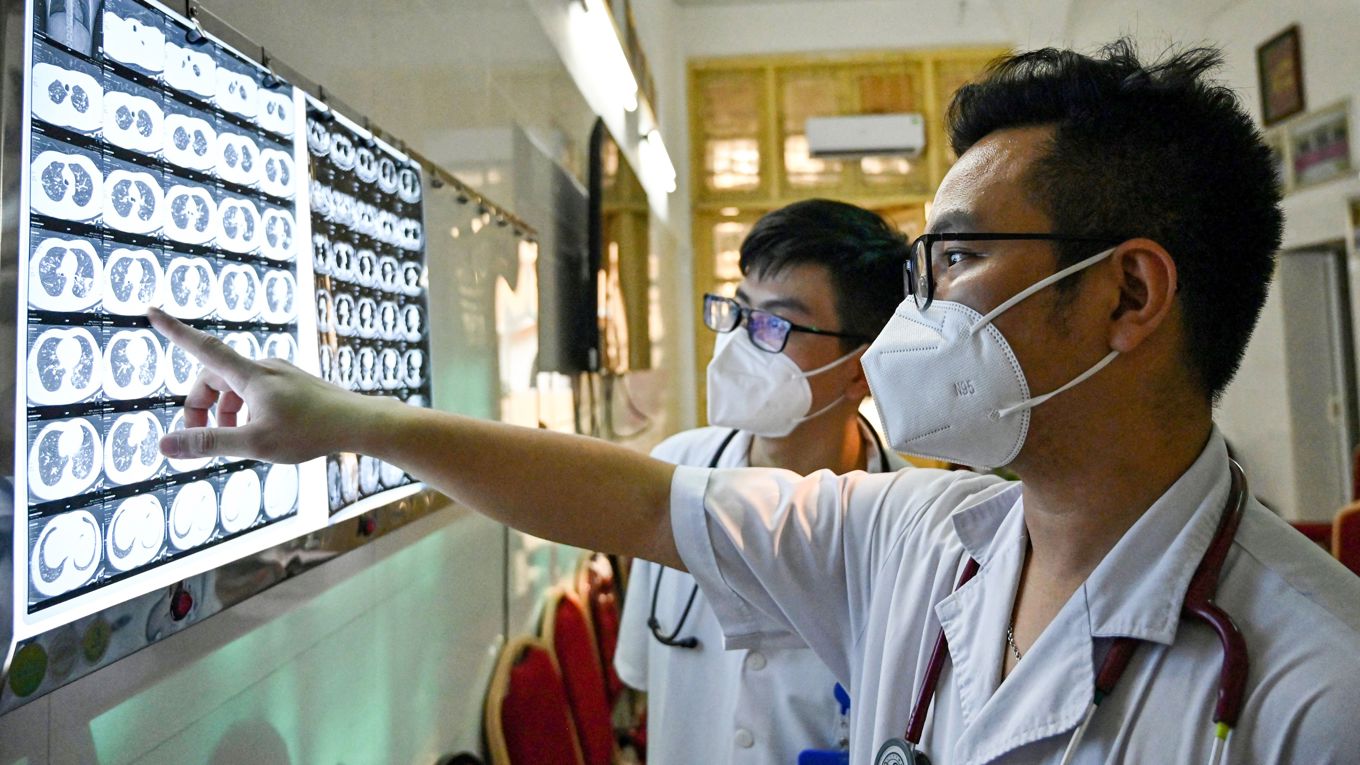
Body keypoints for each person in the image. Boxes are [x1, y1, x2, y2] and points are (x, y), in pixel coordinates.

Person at [150, 39, 1360, 763]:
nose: (921, 312)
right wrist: (348, 422)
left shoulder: (1317, 687)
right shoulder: (925, 540)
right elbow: (629, 498)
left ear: (1126, 295)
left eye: (952, 260)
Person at [615, 199, 910, 765]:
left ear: (860, 369)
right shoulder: (672, 475)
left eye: (775, 323)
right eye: (740, 310)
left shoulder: (907, 532)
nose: (742, 340)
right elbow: (642, 676)